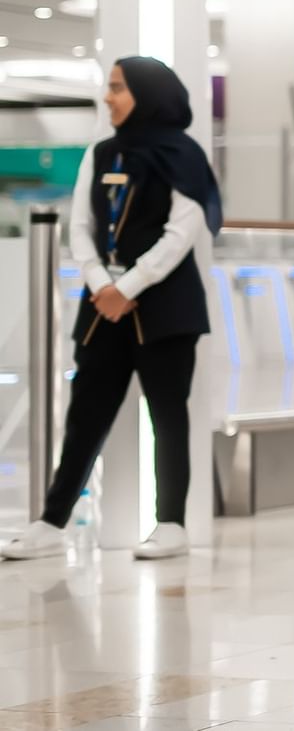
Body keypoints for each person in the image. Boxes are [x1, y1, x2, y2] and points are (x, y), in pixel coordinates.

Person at [2, 57, 223, 562]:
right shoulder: (100, 153)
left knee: (167, 416)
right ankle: (52, 523)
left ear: (147, 94)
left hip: (167, 307)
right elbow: (79, 224)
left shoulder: (183, 155)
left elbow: (182, 232)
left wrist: (132, 285)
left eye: (118, 88)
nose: (108, 97)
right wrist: (103, 283)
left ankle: (171, 524)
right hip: (102, 304)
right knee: (86, 415)